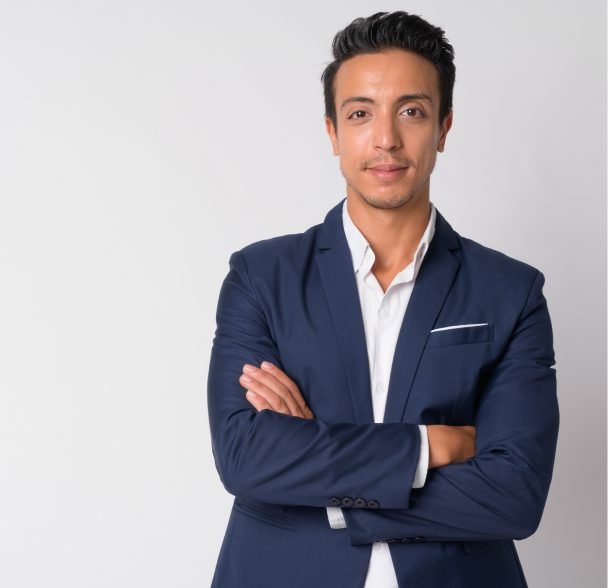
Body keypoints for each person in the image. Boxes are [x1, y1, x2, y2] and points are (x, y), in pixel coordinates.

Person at [207, 11, 559, 588]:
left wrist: (318, 474)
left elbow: (513, 496)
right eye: (360, 113)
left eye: (411, 111)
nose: (386, 139)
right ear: (333, 133)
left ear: (444, 128)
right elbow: (246, 459)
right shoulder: (261, 276)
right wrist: (430, 446)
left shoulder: (510, 291)